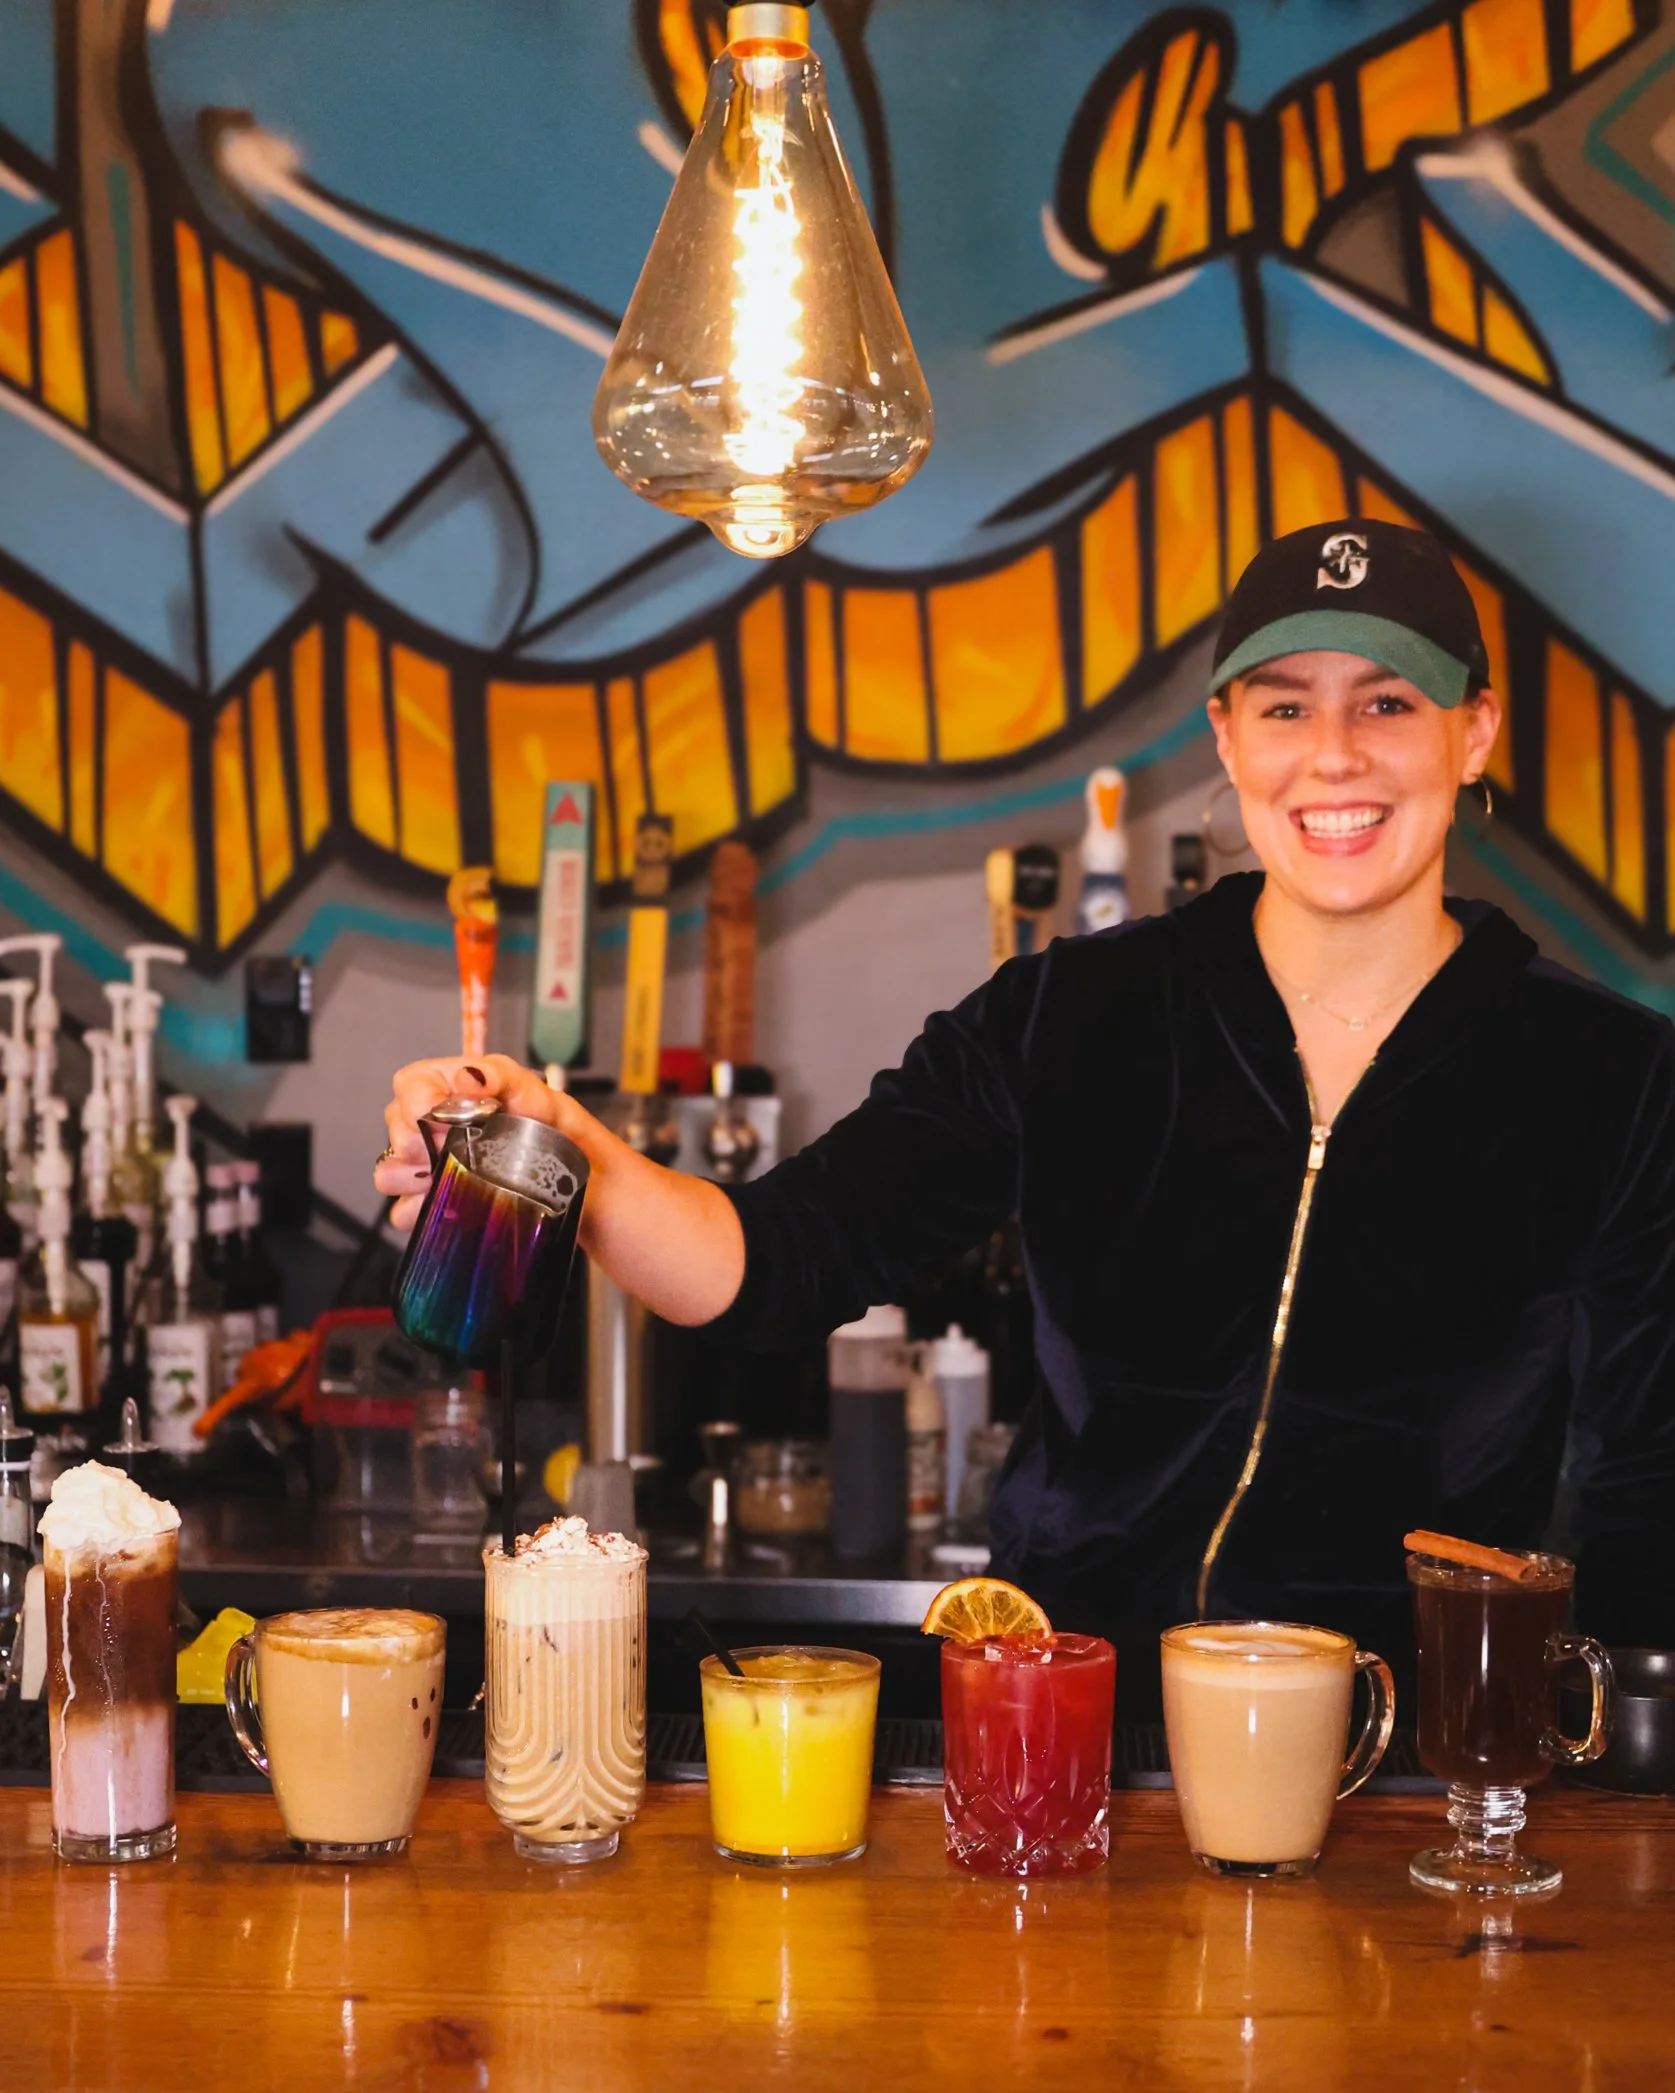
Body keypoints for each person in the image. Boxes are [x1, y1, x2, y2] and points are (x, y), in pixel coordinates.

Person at [378, 521, 1675, 1704]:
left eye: (1386, 703)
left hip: (1408, 1762)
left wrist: (1620, 1806)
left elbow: (1644, 1493)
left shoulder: (1609, 1075)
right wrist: (567, 1151)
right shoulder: (1074, 1015)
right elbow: (769, 1262)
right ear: (1226, 738)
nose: (1331, 755)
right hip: (1077, 1732)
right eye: (1285, 707)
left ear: (1472, 733)